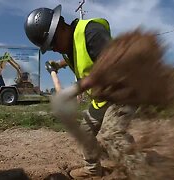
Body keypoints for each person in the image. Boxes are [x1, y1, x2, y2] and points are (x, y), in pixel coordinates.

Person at [25, 5, 136, 179]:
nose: (53, 48)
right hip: (102, 98)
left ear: (61, 27)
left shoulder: (92, 32)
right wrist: (57, 65)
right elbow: (74, 56)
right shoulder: (69, 45)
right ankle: (93, 171)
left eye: (52, 43)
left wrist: (72, 91)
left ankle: (149, 170)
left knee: (112, 135)